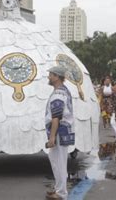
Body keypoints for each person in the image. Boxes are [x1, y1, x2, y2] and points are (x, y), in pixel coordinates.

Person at [45, 66, 75, 200]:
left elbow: (56, 116)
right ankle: (59, 188)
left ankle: (61, 193)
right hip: (62, 132)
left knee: (59, 162)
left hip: (59, 133)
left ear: (57, 77)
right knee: (57, 161)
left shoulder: (58, 93)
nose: (49, 77)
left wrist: (52, 137)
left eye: (51, 75)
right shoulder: (63, 91)